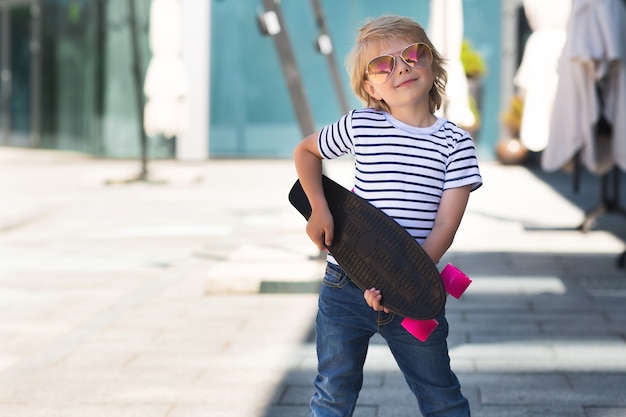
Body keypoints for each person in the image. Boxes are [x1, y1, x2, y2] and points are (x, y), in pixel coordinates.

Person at [293, 15, 482, 417]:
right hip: (344, 285)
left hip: (413, 289)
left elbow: (445, 227)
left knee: (440, 395)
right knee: (332, 392)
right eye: (382, 65)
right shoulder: (362, 125)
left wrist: (402, 282)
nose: (402, 68)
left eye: (414, 54)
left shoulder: (456, 143)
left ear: (434, 65)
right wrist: (318, 208)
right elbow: (306, 152)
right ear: (369, 87)